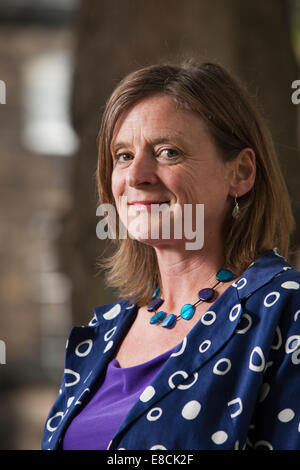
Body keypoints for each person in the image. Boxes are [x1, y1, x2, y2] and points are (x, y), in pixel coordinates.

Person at [42, 60, 300, 451]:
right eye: (123, 156)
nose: (136, 175)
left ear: (241, 172)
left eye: (167, 152)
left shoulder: (285, 311)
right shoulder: (100, 334)